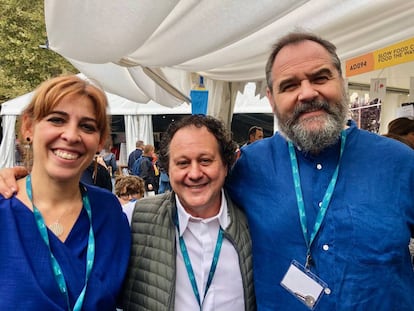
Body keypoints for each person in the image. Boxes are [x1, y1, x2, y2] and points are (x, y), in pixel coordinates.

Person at [226, 31, 414, 310]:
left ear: (342, 81)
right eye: (289, 85)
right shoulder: (246, 167)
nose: (308, 93)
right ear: (271, 98)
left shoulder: (400, 163)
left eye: (320, 78)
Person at [0, 75, 131, 310]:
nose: (71, 136)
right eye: (57, 120)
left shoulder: (109, 212)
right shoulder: (5, 209)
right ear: (28, 126)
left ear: (100, 140)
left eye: (87, 126)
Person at [121, 115, 255, 310]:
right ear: (168, 169)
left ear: (226, 165)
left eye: (205, 160)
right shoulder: (134, 219)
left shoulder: (253, 224)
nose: (194, 174)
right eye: (183, 163)